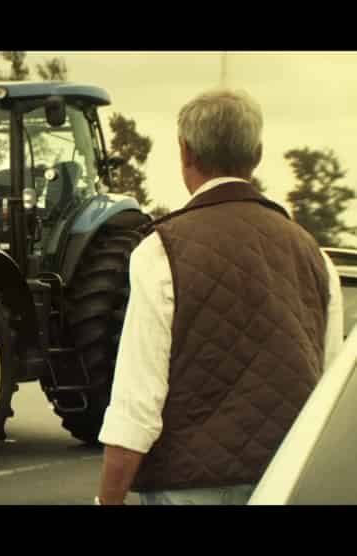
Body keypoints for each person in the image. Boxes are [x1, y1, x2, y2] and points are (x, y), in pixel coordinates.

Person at [95, 89, 344, 505]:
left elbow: (136, 405)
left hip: (186, 488)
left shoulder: (160, 251)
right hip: (282, 485)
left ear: (184, 152)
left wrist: (108, 500)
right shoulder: (314, 255)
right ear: (258, 154)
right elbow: (327, 403)